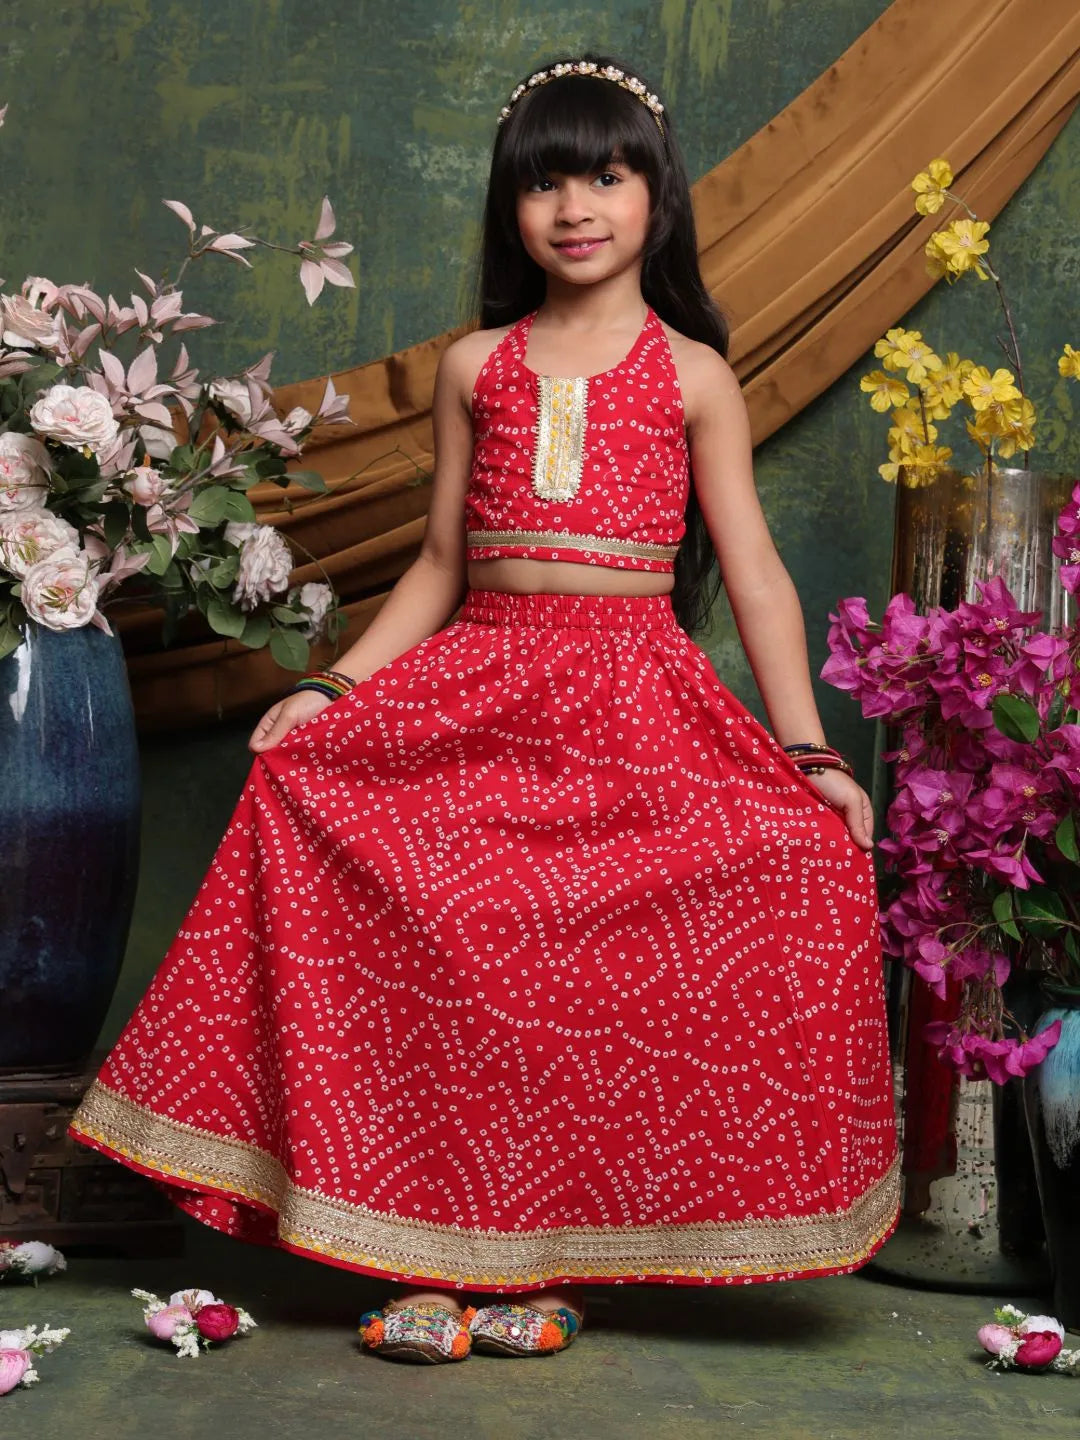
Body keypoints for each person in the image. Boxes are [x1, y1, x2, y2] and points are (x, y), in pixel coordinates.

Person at [69, 53, 899, 1365]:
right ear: (513, 207)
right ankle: (431, 1254)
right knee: (459, 931)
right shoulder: (477, 365)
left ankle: (553, 1265)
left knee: (764, 880)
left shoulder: (695, 376)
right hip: (482, 689)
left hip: (637, 702)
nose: (577, 206)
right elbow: (440, 566)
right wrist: (335, 687)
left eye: (607, 176)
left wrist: (809, 754)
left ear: (657, 198)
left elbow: (758, 581)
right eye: (545, 181)